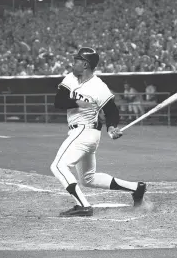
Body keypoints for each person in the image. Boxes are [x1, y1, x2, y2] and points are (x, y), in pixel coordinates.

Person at [52, 47, 147, 217]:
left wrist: (111, 126)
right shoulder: (71, 78)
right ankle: (136, 188)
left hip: (85, 132)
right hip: (82, 134)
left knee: (58, 166)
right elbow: (58, 101)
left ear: (86, 64)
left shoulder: (99, 87)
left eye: (77, 61)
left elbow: (112, 111)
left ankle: (84, 206)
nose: (73, 63)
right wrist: (77, 102)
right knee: (88, 179)